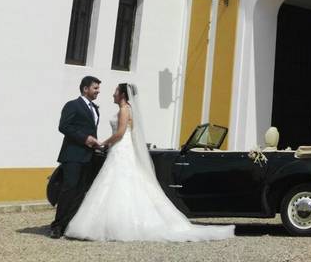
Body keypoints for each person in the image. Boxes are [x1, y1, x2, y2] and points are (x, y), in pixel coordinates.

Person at [64, 83, 235, 242]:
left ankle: (118, 225)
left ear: (122, 94)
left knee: (117, 182)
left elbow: (121, 132)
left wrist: (103, 142)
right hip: (121, 149)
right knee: (124, 183)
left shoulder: (124, 109)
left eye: (116, 92)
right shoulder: (128, 108)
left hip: (121, 148)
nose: (113, 94)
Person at [50, 75, 102, 239]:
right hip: (72, 155)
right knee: (68, 189)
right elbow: (64, 126)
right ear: (85, 89)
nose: (98, 91)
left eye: (98, 88)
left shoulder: (95, 108)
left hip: (88, 156)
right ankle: (57, 226)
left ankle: (69, 224)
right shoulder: (72, 105)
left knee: (80, 192)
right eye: (95, 88)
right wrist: (84, 138)